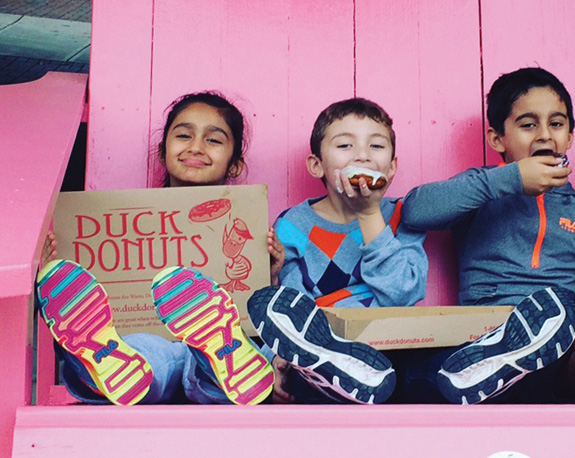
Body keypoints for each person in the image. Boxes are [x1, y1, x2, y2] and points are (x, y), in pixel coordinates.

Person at [402, 67, 575, 405]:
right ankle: (508, 362)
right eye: (528, 124)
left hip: (562, 331)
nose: (545, 135)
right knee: (422, 372)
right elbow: (416, 210)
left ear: (571, 137)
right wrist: (509, 179)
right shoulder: (482, 190)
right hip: (486, 328)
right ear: (497, 139)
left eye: (557, 124)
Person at [36, 91, 284, 406]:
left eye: (214, 140)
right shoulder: (120, 221)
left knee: (229, 352)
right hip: (143, 338)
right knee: (142, 352)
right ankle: (99, 365)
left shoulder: (246, 227)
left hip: (225, 337)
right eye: (183, 135)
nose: (196, 147)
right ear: (162, 150)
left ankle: (221, 369)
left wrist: (270, 273)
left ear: (235, 166)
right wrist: (49, 270)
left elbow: (256, 305)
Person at [246, 97, 429, 404]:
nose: (362, 156)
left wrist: (370, 215)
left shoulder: (402, 216)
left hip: (387, 349)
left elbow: (403, 294)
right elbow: (292, 310)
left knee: (420, 376)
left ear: (393, 166)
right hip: (316, 359)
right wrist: (277, 355)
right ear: (317, 165)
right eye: (345, 146)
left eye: (377, 146)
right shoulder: (293, 225)